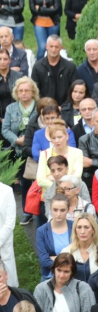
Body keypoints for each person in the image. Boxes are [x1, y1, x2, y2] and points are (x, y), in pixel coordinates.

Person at [1, 76, 38, 225]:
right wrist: (16, 139)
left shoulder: (39, 106)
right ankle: (27, 212)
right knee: (24, 182)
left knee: (40, 181)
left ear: (32, 92)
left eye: (27, 90)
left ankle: (42, 211)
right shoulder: (11, 108)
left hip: (35, 147)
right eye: (20, 90)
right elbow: (5, 129)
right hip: (19, 149)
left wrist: (29, 140)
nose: (23, 93)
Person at [31, 35, 77, 106]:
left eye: (56, 47)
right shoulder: (37, 67)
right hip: (44, 107)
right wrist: (46, 104)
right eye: (51, 46)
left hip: (66, 107)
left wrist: (65, 106)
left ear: (61, 48)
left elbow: (74, 89)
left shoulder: (70, 67)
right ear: (46, 46)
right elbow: (35, 90)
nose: (53, 49)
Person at [36, 194, 73, 281]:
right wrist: (68, 263)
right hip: (50, 276)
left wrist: (55, 258)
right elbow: (44, 260)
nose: (58, 214)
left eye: (62, 210)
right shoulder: (42, 231)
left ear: (68, 209)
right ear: (50, 209)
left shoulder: (75, 226)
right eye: (55, 210)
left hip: (73, 275)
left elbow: (81, 254)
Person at [61, 213, 98, 282]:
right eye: (79, 227)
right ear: (75, 230)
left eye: (86, 227)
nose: (82, 231)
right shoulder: (66, 252)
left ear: (93, 230)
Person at [0, 49, 22, 131]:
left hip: (17, 118)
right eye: (0, 59)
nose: (2, 62)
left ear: (10, 60)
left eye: (5, 59)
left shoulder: (19, 76)